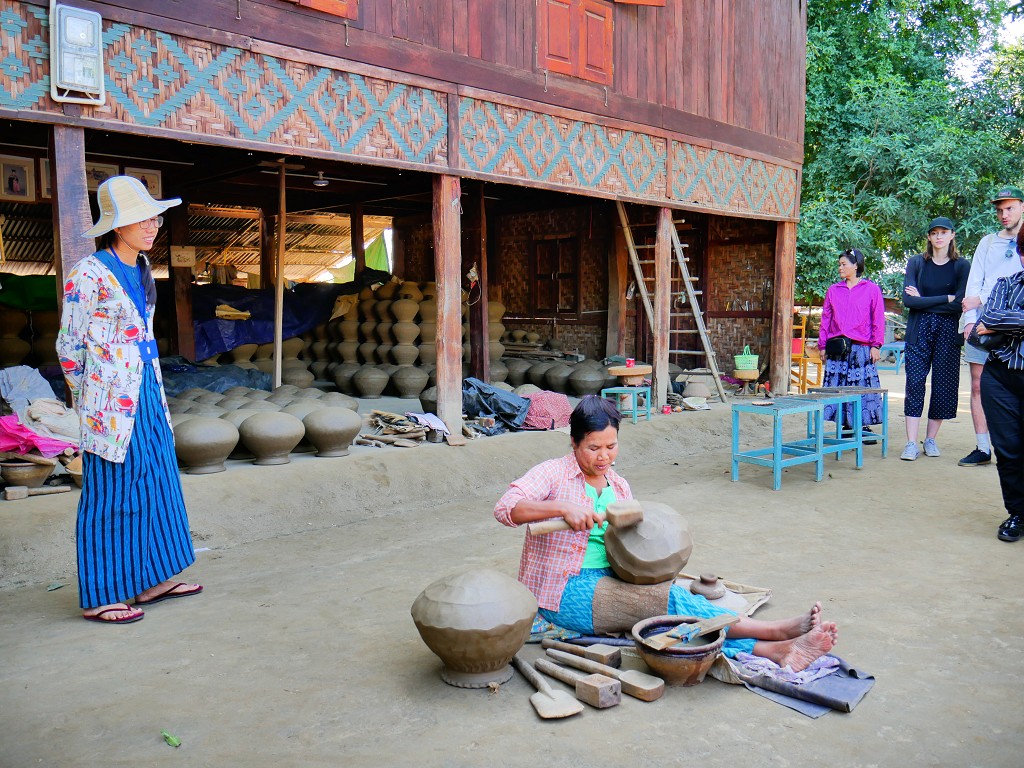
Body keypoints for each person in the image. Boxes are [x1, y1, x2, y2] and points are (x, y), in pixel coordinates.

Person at [494, 395, 838, 672]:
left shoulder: (619, 484)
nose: (604, 457)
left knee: (664, 621)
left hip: (611, 577)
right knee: (670, 603)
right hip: (564, 591)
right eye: (593, 448)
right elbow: (507, 508)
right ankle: (775, 630)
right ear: (574, 442)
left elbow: (632, 543)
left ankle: (775, 651)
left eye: (611, 447)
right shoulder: (553, 473)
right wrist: (561, 509)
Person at [56, 176, 202, 624]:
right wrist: (91, 403)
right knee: (111, 491)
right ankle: (102, 594)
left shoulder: (141, 270)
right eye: (141, 218)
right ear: (116, 225)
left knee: (158, 478)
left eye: (154, 216)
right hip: (109, 403)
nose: (152, 224)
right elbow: (69, 347)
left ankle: (153, 578)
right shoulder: (89, 273)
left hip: (148, 392)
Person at [959, 186, 1024, 466]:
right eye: (999, 210)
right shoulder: (987, 242)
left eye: (1009, 208)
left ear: (1021, 206)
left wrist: (981, 299)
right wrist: (970, 321)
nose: (1003, 214)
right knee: (978, 384)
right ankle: (983, 447)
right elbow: (974, 281)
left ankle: (1012, 448)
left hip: (1015, 325)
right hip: (983, 323)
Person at [899, 217, 971, 460]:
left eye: (944, 232)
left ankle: (930, 439)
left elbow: (960, 304)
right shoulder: (917, 263)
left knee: (943, 385)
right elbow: (909, 302)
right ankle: (910, 442)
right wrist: (945, 298)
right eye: (934, 233)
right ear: (929, 237)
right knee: (915, 383)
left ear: (952, 235)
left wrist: (925, 302)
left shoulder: (962, 266)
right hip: (918, 330)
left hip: (949, 332)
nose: (939, 236)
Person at [974, 227, 1024, 542]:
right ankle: (1017, 513)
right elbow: (986, 319)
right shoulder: (1005, 284)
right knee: (1007, 450)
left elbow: (996, 323)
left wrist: (1005, 323)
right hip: (1001, 375)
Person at [817, 248, 886, 441]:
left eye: (843, 264)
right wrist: (823, 345)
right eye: (839, 264)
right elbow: (826, 319)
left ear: (856, 265)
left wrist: (876, 345)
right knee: (839, 387)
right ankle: (846, 426)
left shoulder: (871, 289)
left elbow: (877, 319)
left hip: (862, 349)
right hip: (837, 347)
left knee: (861, 388)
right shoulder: (833, 290)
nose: (840, 267)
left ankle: (862, 428)